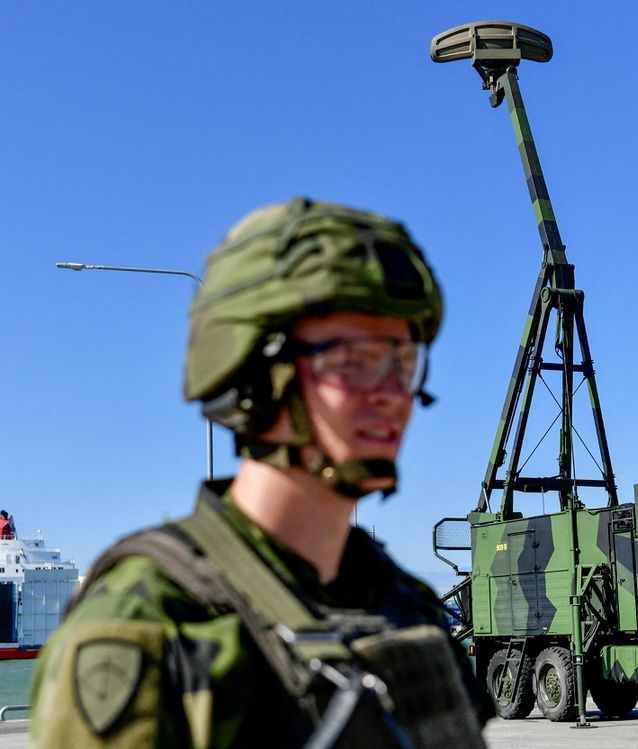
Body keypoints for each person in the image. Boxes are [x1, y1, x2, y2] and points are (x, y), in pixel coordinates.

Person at [30, 197, 491, 748]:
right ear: (256, 374)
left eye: (404, 361)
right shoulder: (152, 624)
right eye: (355, 361)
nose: (393, 395)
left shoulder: (407, 610)